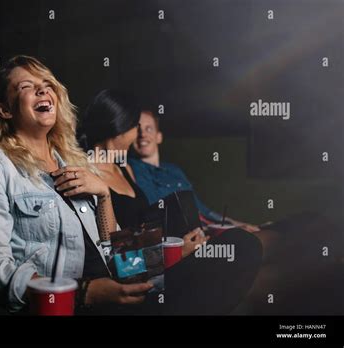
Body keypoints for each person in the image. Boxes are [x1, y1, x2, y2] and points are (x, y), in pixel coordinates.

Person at [0, 56, 154, 313]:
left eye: (47, 84)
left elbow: (116, 253)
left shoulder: (75, 161)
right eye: (26, 86)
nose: (43, 89)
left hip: (116, 294)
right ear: (4, 110)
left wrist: (104, 195)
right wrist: (83, 293)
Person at [80, 89, 263, 315]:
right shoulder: (86, 176)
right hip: (135, 283)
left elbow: (144, 234)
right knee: (242, 245)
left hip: (158, 267)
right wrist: (175, 254)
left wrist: (180, 243)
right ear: (120, 127)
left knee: (238, 245)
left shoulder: (124, 168)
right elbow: (113, 262)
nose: (137, 135)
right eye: (135, 127)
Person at [131, 110, 260, 232]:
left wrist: (237, 224)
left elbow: (203, 210)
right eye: (137, 129)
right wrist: (222, 230)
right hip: (188, 236)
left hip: (208, 229)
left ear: (159, 137)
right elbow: (158, 214)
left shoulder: (174, 170)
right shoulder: (132, 168)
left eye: (149, 128)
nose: (142, 134)